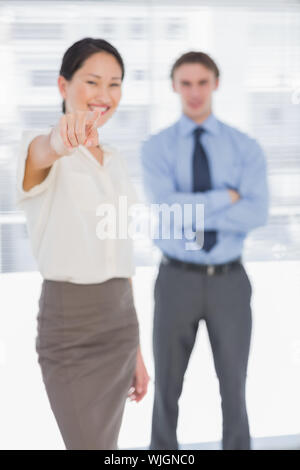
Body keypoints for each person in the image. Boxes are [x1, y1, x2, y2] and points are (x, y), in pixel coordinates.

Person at [15, 37, 150, 450]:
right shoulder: (38, 146)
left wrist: (138, 352)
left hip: (120, 324)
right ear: (62, 85)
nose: (104, 95)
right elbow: (43, 153)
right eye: (92, 81)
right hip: (70, 328)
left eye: (115, 84)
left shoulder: (116, 161)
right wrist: (61, 139)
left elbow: (121, 257)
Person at [140, 51, 269, 450]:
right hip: (176, 277)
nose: (194, 92)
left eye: (201, 82)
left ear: (215, 83)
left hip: (229, 280)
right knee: (167, 389)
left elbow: (256, 212)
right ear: (174, 87)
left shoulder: (245, 146)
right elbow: (164, 211)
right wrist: (226, 197)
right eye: (185, 83)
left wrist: (190, 207)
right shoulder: (156, 147)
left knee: (235, 386)